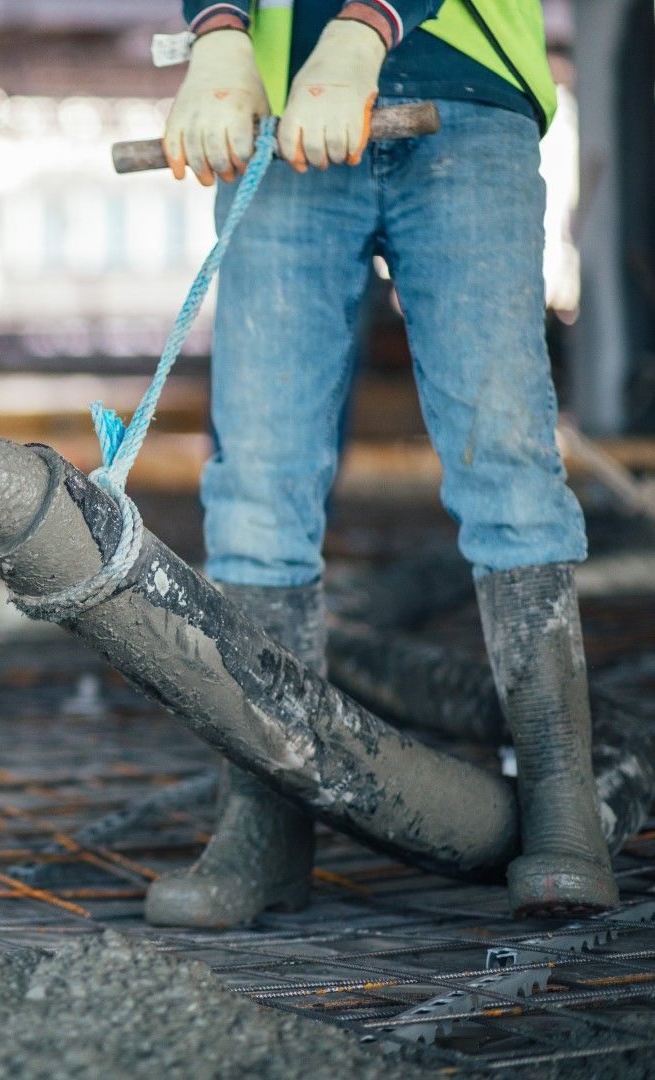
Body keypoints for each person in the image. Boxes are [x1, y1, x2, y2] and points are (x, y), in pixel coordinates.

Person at [146, 0, 616, 926]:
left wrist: (368, 26)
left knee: (507, 466)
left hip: (462, 98)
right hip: (281, 119)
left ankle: (564, 810)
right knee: (257, 488)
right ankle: (266, 819)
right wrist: (218, 33)